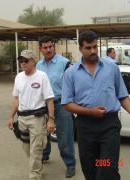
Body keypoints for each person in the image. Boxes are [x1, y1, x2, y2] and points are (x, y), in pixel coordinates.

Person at [61, 30, 130, 180]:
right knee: (90, 168)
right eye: (88, 48)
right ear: (80, 49)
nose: (93, 51)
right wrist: (90, 112)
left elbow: (122, 95)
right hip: (85, 126)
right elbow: (67, 104)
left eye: (95, 46)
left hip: (109, 125)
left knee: (107, 169)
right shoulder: (71, 73)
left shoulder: (111, 68)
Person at [7, 50, 55, 180]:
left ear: (33, 61)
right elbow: (16, 99)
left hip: (37, 118)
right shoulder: (19, 77)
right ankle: (37, 165)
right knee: (27, 148)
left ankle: (34, 175)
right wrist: (11, 117)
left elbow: (49, 99)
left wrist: (51, 120)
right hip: (22, 118)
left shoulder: (42, 76)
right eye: (21, 61)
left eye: (26, 60)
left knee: (35, 149)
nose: (23, 63)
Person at [36, 36, 76, 178]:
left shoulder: (64, 63)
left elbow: (73, 83)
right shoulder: (38, 65)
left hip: (61, 104)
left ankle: (70, 164)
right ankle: (44, 155)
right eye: (45, 47)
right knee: (43, 134)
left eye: (50, 46)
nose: (48, 49)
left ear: (54, 47)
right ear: (40, 49)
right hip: (43, 105)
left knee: (65, 136)